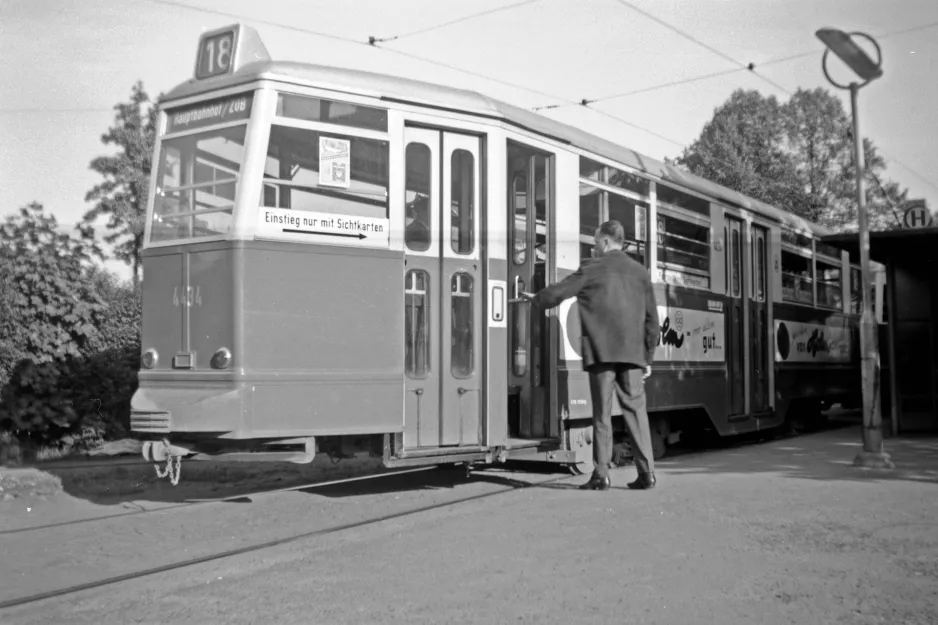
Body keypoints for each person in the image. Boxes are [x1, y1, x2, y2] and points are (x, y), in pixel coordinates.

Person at [523, 220, 660, 491]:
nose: (594, 246)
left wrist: (536, 299)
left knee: (602, 415)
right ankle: (647, 474)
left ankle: (601, 474)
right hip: (633, 355)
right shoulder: (640, 272)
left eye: (596, 241)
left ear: (606, 242)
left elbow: (559, 292)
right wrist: (648, 356)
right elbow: (651, 319)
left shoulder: (592, 267)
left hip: (601, 353)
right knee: (636, 413)